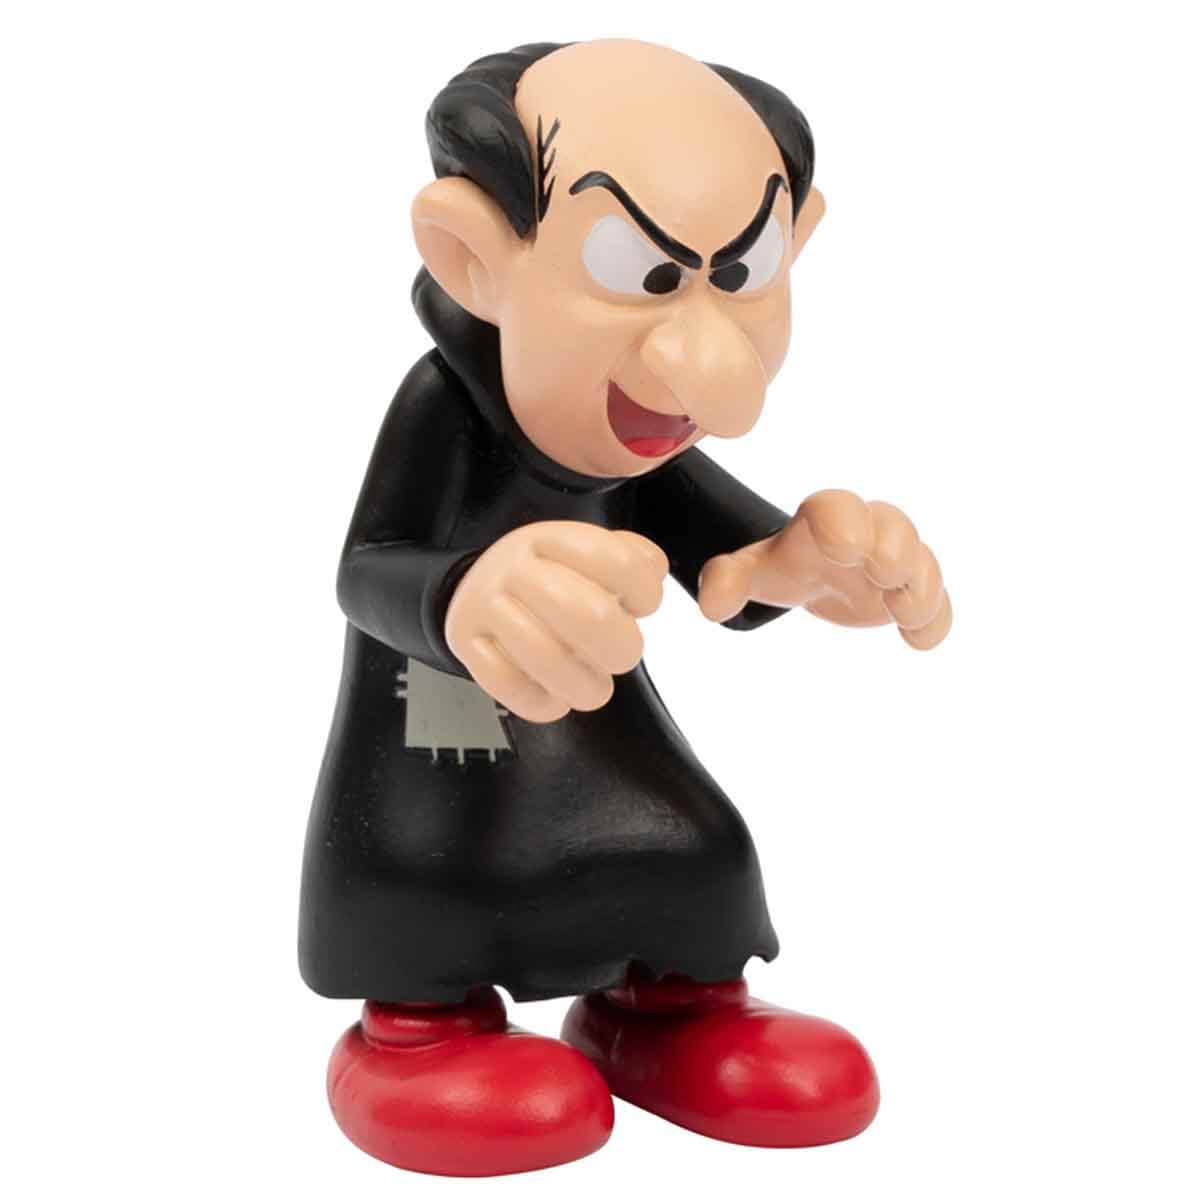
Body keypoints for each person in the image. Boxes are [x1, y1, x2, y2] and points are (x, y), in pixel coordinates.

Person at [300, 38, 952, 1178]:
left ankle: (671, 1005)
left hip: (598, 724)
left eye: (741, 274)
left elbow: (724, 556)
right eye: (641, 273)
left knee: (692, 843)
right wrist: (463, 596)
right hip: (443, 721)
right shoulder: (445, 406)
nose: (707, 361)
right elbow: (369, 569)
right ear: (474, 257)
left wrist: (799, 565)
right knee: (433, 867)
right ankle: (418, 1029)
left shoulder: (631, 442)